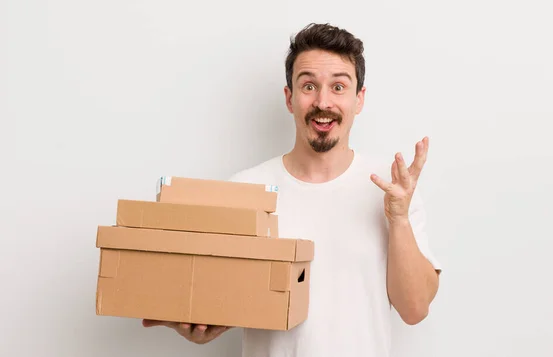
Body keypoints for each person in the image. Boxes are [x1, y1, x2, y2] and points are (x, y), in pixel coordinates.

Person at [142, 22, 442, 356]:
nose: (323, 102)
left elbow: (415, 309)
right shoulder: (244, 191)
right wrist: (198, 323)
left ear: (359, 99)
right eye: (309, 86)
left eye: (339, 87)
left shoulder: (392, 187)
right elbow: (215, 297)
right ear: (290, 98)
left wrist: (398, 218)